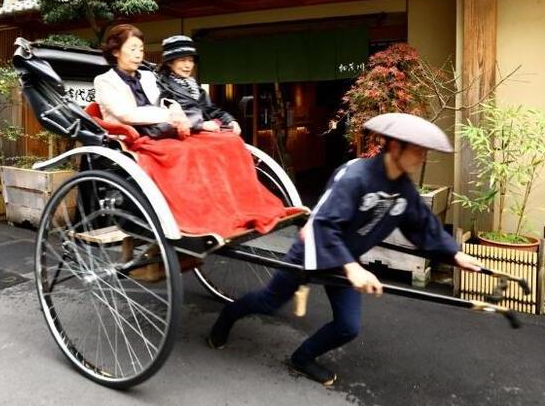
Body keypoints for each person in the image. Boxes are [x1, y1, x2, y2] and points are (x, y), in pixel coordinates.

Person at [207, 113, 484, 386]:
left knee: (347, 327)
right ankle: (226, 318)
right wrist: (353, 269)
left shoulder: (403, 189)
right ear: (396, 146)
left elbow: (423, 226)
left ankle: (302, 358)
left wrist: (455, 254)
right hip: (313, 250)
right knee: (268, 303)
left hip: (344, 260)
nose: (422, 157)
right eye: (418, 151)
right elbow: (325, 224)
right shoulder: (355, 176)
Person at [94, 24, 190, 138]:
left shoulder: (148, 76)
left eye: (141, 50)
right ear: (116, 52)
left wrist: (176, 110)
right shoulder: (105, 81)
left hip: (160, 132)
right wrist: (170, 115)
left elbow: (162, 100)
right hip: (130, 138)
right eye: (133, 49)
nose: (138, 55)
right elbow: (126, 115)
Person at [156, 35, 242, 135]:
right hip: (181, 134)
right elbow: (166, 115)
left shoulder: (196, 88)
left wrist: (230, 120)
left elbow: (211, 110)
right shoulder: (161, 85)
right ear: (169, 63)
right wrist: (201, 125)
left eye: (191, 60)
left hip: (203, 132)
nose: (188, 65)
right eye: (182, 60)